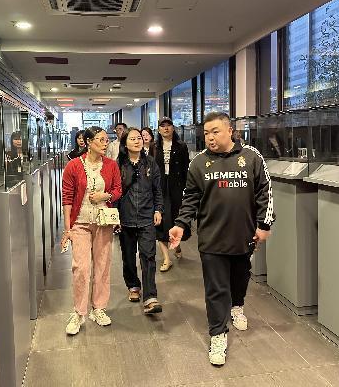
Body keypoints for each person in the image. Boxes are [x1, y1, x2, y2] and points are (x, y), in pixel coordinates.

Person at [169, 111, 274, 366]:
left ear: (230, 131)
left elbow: (265, 192)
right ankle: (217, 333)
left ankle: (237, 305)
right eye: (206, 133)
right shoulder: (199, 163)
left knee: (240, 277)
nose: (210, 137)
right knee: (216, 288)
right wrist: (181, 224)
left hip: (244, 235)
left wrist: (264, 224)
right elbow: (190, 197)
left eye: (215, 131)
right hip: (212, 238)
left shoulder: (251, 157)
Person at [60, 126, 122, 335]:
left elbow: (118, 190)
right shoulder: (73, 165)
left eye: (106, 140)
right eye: (101, 140)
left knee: (103, 266)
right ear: (88, 142)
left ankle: (99, 308)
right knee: (81, 268)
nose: (105, 143)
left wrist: (106, 196)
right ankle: (79, 312)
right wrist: (67, 228)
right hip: (80, 223)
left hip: (103, 222)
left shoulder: (111, 165)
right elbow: (67, 197)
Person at [117, 128, 163, 314]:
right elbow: (114, 192)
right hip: (125, 217)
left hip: (146, 216)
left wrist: (158, 209)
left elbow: (157, 189)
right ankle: (133, 285)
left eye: (139, 138)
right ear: (125, 143)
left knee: (148, 256)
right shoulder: (119, 164)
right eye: (132, 139)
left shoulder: (150, 162)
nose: (137, 141)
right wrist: (114, 216)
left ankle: (150, 296)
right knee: (128, 257)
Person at [155, 117, 190, 271]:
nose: (166, 128)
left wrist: (186, 188)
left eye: (168, 125)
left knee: (176, 218)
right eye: (162, 126)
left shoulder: (181, 146)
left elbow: (185, 169)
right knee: (161, 221)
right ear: (158, 130)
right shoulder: (155, 147)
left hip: (176, 187)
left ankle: (177, 245)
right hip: (160, 188)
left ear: (173, 128)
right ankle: (166, 259)